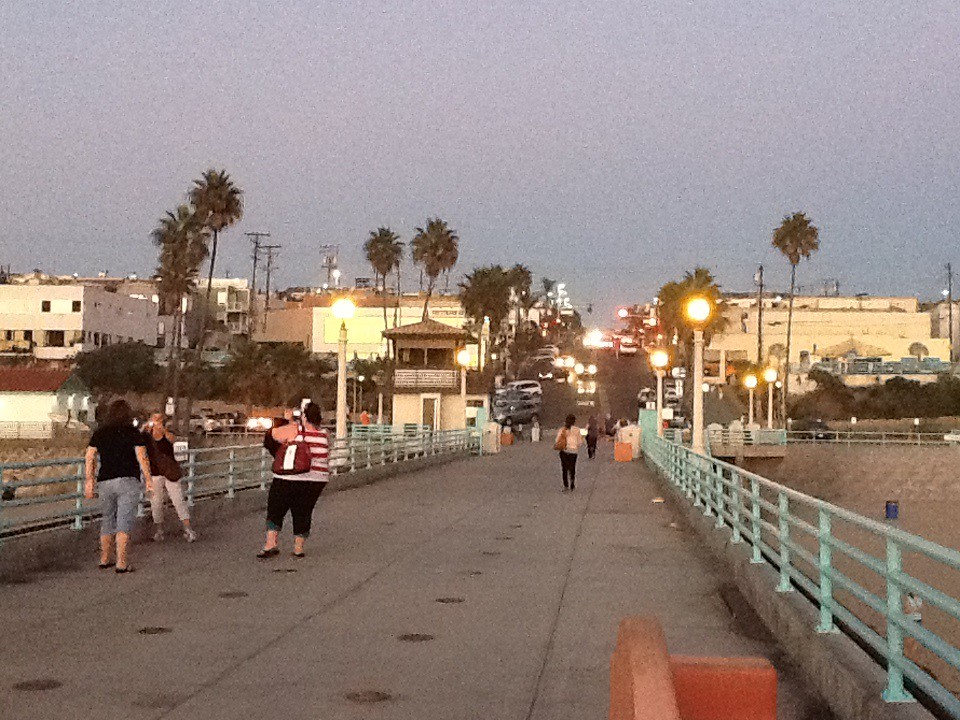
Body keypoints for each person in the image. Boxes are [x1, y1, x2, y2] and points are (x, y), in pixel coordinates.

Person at [85, 399, 154, 573]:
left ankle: (104, 558)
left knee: (107, 519)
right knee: (124, 520)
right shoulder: (132, 432)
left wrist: (89, 480)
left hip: (105, 480)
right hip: (128, 481)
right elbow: (142, 457)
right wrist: (148, 479)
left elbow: (90, 456)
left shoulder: (100, 433)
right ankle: (121, 563)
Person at [259, 402, 330, 559]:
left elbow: (271, 435)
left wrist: (288, 421)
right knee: (304, 511)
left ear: (304, 416)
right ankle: (298, 548)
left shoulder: (296, 429)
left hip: (289, 477)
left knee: (276, 508)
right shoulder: (324, 434)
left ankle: (271, 544)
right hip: (316, 480)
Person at [143, 412, 196, 543]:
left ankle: (188, 528)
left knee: (178, 499)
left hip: (169, 472)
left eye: (159, 419)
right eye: (154, 419)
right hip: (154, 473)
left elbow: (173, 439)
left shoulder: (167, 432)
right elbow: (138, 445)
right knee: (156, 503)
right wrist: (144, 428)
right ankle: (159, 530)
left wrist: (164, 431)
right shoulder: (146, 435)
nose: (156, 422)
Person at [555, 414, 582, 492]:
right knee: (572, 468)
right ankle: (572, 484)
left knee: (564, 468)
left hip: (564, 451)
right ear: (574, 421)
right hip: (573, 451)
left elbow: (557, 440)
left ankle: (566, 485)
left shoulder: (562, 429)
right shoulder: (577, 430)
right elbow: (580, 442)